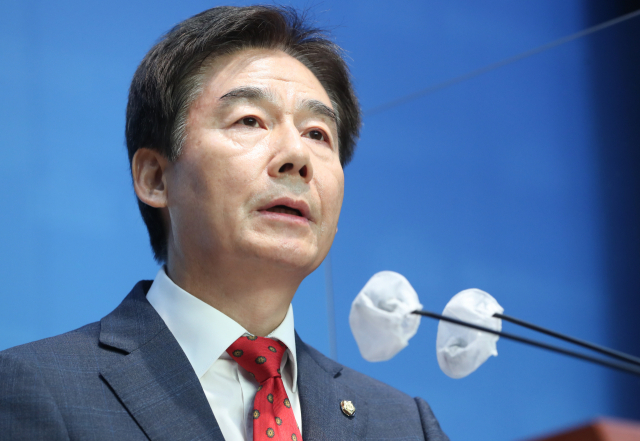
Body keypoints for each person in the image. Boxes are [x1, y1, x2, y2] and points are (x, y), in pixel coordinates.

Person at [0, 5, 448, 440]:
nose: (297, 156)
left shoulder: (405, 425)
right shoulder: (39, 388)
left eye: (317, 133)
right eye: (250, 121)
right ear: (155, 178)